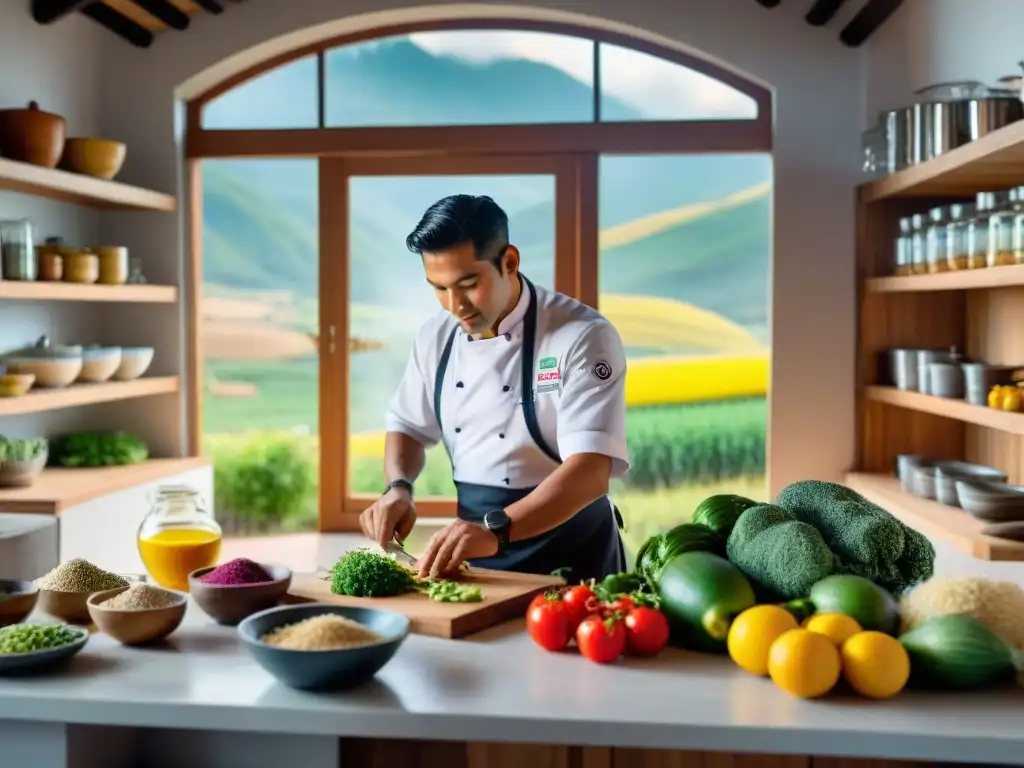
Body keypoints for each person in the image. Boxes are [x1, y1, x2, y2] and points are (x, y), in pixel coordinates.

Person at [359, 193, 629, 582]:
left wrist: (495, 530)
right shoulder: (436, 336)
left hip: (572, 553)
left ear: (510, 262)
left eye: (468, 283)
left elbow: (589, 472)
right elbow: (407, 426)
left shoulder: (582, 336)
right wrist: (398, 487)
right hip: (475, 553)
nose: (455, 306)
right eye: (438, 287)